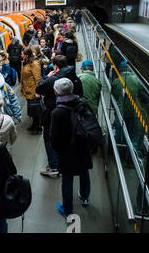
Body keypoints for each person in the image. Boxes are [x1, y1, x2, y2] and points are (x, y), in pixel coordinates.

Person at [50, 78, 92, 219]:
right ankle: (85, 197)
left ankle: (67, 209)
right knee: (84, 172)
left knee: (67, 180)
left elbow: (54, 138)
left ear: (57, 92)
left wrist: (57, 151)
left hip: (67, 151)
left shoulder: (58, 112)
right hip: (83, 147)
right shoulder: (82, 103)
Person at [36, 55, 83, 177]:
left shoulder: (54, 79)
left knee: (49, 136)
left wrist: (47, 77)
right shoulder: (74, 76)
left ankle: (53, 166)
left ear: (55, 66)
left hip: (53, 111)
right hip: (71, 112)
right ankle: (61, 161)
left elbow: (39, 89)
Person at [21, 47, 42, 134]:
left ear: (26, 55)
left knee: (35, 110)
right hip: (28, 89)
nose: (21, 56)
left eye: (22, 54)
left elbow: (38, 79)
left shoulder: (34, 64)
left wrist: (37, 92)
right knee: (32, 110)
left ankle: (37, 127)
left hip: (33, 90)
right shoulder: (26, 63)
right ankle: (34, 124)